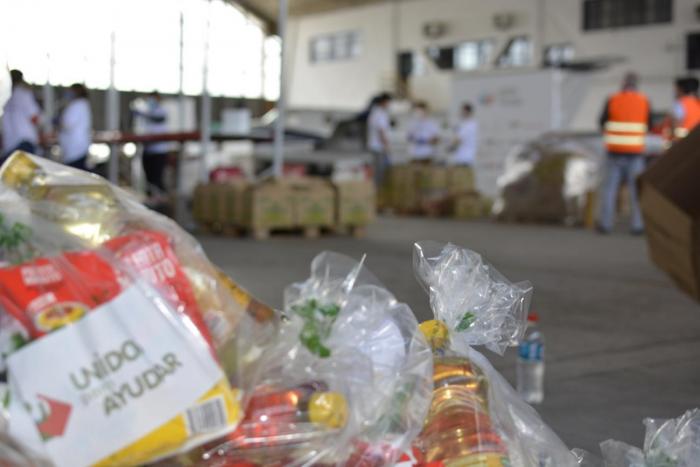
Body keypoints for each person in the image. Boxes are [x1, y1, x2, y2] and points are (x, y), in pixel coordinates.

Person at [597, 72, 651, 235]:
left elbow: (602, 122)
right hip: (635, 152)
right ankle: (637, 225)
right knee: (636, 191)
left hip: (614, 151)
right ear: (636, 84)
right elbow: (649, 124)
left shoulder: (613, 99)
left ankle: (605, 224)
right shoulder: (644, 101)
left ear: (623, 83)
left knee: (609, 189)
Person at [133, 91, 170, 195]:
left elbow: (159, 119)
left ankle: (161, 199)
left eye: (153, 98)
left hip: (159, 151)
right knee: (148, 178)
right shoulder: (147, 111)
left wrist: (144, 115)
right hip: (147, 149)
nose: (151, 101)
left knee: (157, 177)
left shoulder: (162, 111)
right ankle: (151, 198)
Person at [2, 69, 40, 160]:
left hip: (10, 143)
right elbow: (34, 117)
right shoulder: (23, 93)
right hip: (24, 141)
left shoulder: (5, 96)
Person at [58, 83, 92, 170]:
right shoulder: (81, 105)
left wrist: (57, 121)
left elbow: (67, 124)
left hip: (75, 149)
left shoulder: (78, 105)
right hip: (76, 147)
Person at [367, 93, 392, 187]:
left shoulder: (375, 112)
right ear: (384, 102)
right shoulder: (380, 113)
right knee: (380, 169)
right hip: (378, 146)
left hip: (375, 145)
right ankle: (379, 188)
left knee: (378, 168)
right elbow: (381, 130)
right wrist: (386, 145)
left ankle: (378, 187)